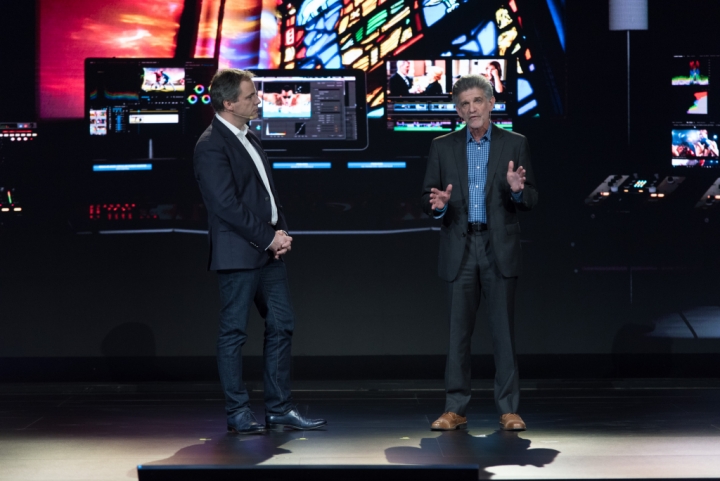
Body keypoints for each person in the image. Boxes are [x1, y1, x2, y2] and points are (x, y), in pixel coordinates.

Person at [194, 68, 327, 434]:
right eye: (251, 96)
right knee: (234, 332)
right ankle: (238, 412)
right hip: (238, 252)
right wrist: (268, 238)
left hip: (268, 251)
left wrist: (280, 231)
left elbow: (266, 192)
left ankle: (279, 408)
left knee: (282, 324)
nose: (258, 101)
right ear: (228, 103)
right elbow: (226, 205)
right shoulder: (211, 145)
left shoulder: (249, 136)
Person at [421, 74, 538, 432]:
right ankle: (454, 408)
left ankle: (509, 410)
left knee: (503, 332)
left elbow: (531, 197)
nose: (471, 109)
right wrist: (439, 204)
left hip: (497, 246)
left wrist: (517, 190)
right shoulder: (442, 146)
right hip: (460, 247)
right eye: (464, 104)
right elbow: (428, 197)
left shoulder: (515, 143)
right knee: (458, 334)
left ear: (490, 104)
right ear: (458, 111)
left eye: (476, 101)